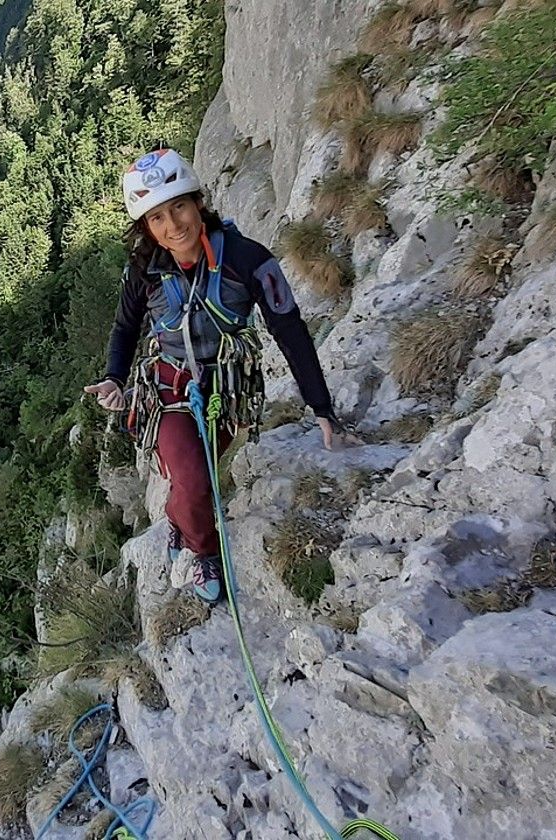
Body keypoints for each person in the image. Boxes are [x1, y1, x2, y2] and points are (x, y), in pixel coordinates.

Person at [84, 148, 355, 604]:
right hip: (167, 391)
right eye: (156, 218)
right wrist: (114, 377)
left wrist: (321, 407)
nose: (173, 226)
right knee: (191, 476)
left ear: (198, 202)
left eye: (179, 207)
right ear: (146, 228)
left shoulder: (248, 260)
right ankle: (203, 551)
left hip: (226, 390)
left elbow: (289, 328)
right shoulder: (144, 270)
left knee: (201, 477)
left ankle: (178, 520)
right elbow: (126, 327)